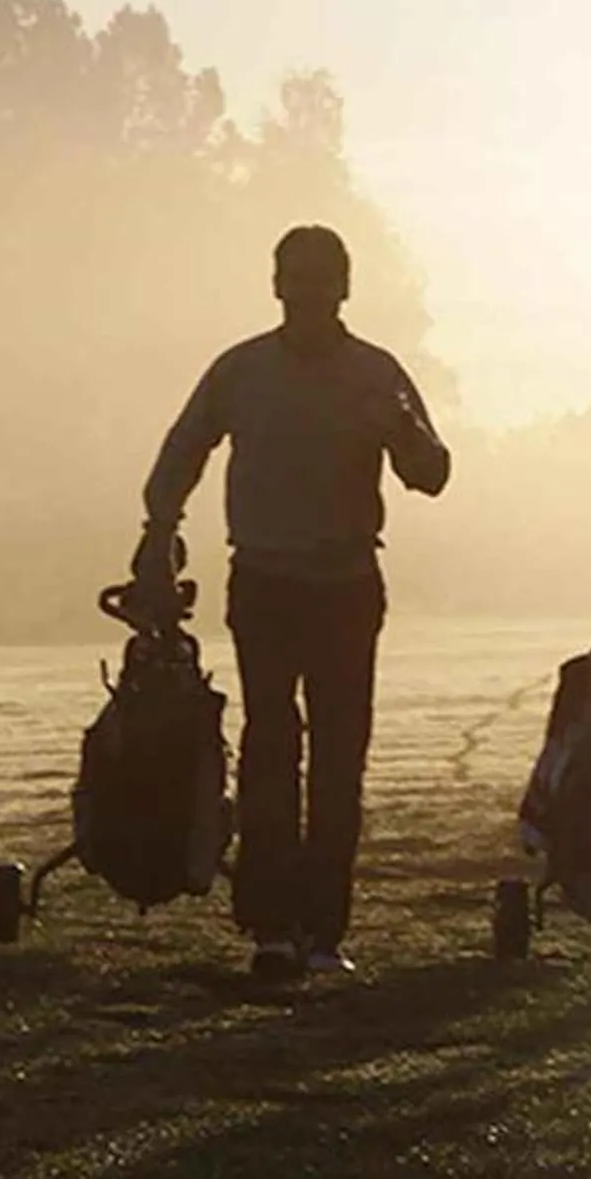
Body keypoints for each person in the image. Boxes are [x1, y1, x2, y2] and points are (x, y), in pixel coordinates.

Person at [136, 224, 451, 984]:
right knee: (272, 749)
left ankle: (321, 931)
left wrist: (402, 431)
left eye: (320, 279)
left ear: (344, 287)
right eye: (294, 278)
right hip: (267, 581)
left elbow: (432, 474)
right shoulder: (241, 371)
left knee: (340, 759)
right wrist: (159, 527)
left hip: (345, 584)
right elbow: (183, 449)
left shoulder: (378, 376)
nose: (306, 292)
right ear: (276, 284)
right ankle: (273, 926)